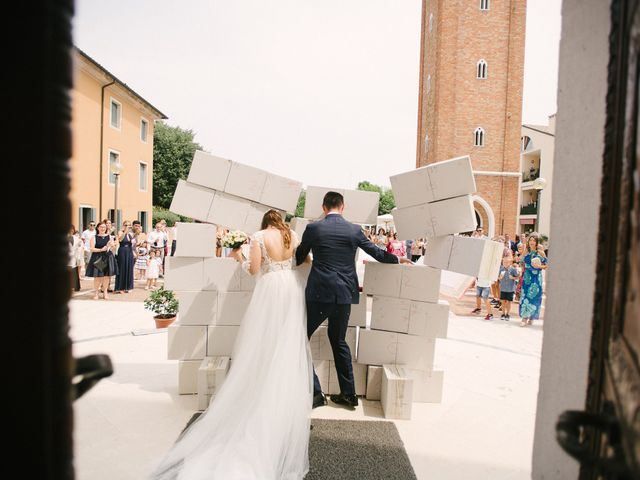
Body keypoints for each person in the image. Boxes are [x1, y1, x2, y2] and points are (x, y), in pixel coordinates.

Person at [151, 210, 313, 479]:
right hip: (290, 288)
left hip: (271, 289)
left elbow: (253, 270)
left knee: (264, 341)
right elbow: (304, 261)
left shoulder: (260, 236)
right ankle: (281, 396)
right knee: (287, 340)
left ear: (264, 222)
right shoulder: (292, 235)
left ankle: (260, 389)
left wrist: (239, 257)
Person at [295, 191, 412, 409]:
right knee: (338, 340)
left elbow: (300, 255)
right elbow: (376, 252)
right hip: (345, 294)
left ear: (323, 207)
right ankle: (349, 394)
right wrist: (397, 259)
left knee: (300, 338)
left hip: (320, 292)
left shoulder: (313, 228)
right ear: (343, 207)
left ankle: (316, 393)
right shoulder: (354, 229)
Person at [519, 232, 548, 327]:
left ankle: (531, 316)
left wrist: (540, 265)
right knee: (525, 296)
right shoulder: (526, 251)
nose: (532, 242)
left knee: (534, 296)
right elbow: (520, 260)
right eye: (530, 240)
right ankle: (524, 317)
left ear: (537, 242)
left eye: (534, 240)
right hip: (527, 276)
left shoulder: (540, 252)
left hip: (536, 277)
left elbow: (547, 265)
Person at [85, 221, 118, 299]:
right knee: (98, 277)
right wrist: (101, 250)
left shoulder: (109, 237)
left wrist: (112, 245)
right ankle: (96, 293)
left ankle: (105, 292)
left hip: (107, 257)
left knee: (106, 277)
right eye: (101, 227)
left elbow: (113, 248)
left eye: (104, 227)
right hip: (98, 258)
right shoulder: (94, 237)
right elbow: (92, 249)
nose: (103, 228)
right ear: (98, 228)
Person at [114, 220, 135, 293]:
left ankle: (128, 287)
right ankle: (120, 287)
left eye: (129, 225)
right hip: (122, 251)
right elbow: (120, 239)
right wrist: (125, 232)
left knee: (129, 268)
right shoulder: (121, 232)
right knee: (122, 268)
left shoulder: (130, 234)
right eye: (126, 225)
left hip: (129, 251)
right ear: (123, 225)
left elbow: (132, 243)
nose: (127, 227)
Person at [498, 255, 520, 321]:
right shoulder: (501, 269)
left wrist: (513, 277)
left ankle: (507, 314)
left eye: (507, 262)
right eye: (504, 262)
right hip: (503, 288)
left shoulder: (513, 269)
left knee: (508, 302)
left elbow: (518, 277)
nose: (505, 263)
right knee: (503, 301)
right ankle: (503, 314)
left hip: (510, 288)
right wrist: (500, 278)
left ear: (510, 263)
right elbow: (498, 278)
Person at [68, 225, 84, 292]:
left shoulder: (76, 238)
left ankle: (75, 286)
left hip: (74, 257)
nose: (71, 230)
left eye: (72, 229)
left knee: (74, 271)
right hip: (66, 257)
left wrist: (78, 254)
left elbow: (80, 246)